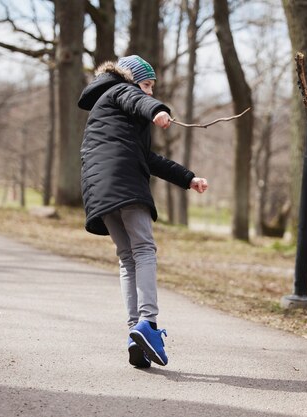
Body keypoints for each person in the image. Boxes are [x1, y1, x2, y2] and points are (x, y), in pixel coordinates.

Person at [77, 55, 208, 369]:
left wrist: (188, 178)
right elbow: (138, 99)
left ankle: (134, 330)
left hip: (99, 188)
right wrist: (158, 110)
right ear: (132, 80)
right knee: (144, 249)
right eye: (146, 85)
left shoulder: (106, 111)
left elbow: (148, 158)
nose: (148, 91)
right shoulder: (121, 90)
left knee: (127, 257)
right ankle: (147, 323)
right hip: (123, 181)